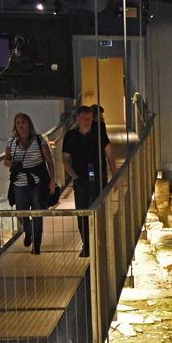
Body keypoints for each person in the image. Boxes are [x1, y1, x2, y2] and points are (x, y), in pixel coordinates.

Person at [61, 105, 116, 258]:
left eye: (89, 118)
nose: (86, 121)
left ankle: (100, 240)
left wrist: (115, 176)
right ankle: (86, 243)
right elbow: (65, 159)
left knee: (100, 209)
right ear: (77, 119)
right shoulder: (70, 136)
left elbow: (110, 154)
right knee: (82, 211)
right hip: (81, 178)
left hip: (99, 175)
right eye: (83, 119)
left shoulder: (99, 133)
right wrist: (75, 177)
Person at [4, 113, 56, 255]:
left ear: (29, 125)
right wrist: (12, 164)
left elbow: (49, 162)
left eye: (23, 122)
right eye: (18, 123)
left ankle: (37, 245)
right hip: (19, 183)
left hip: (37, 183)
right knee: (21, 212)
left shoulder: (39, 141)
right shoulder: (11, 143)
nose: (20, 125)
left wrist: (52, 179)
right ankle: (29, 231)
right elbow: (6, 160)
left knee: (37, 211)